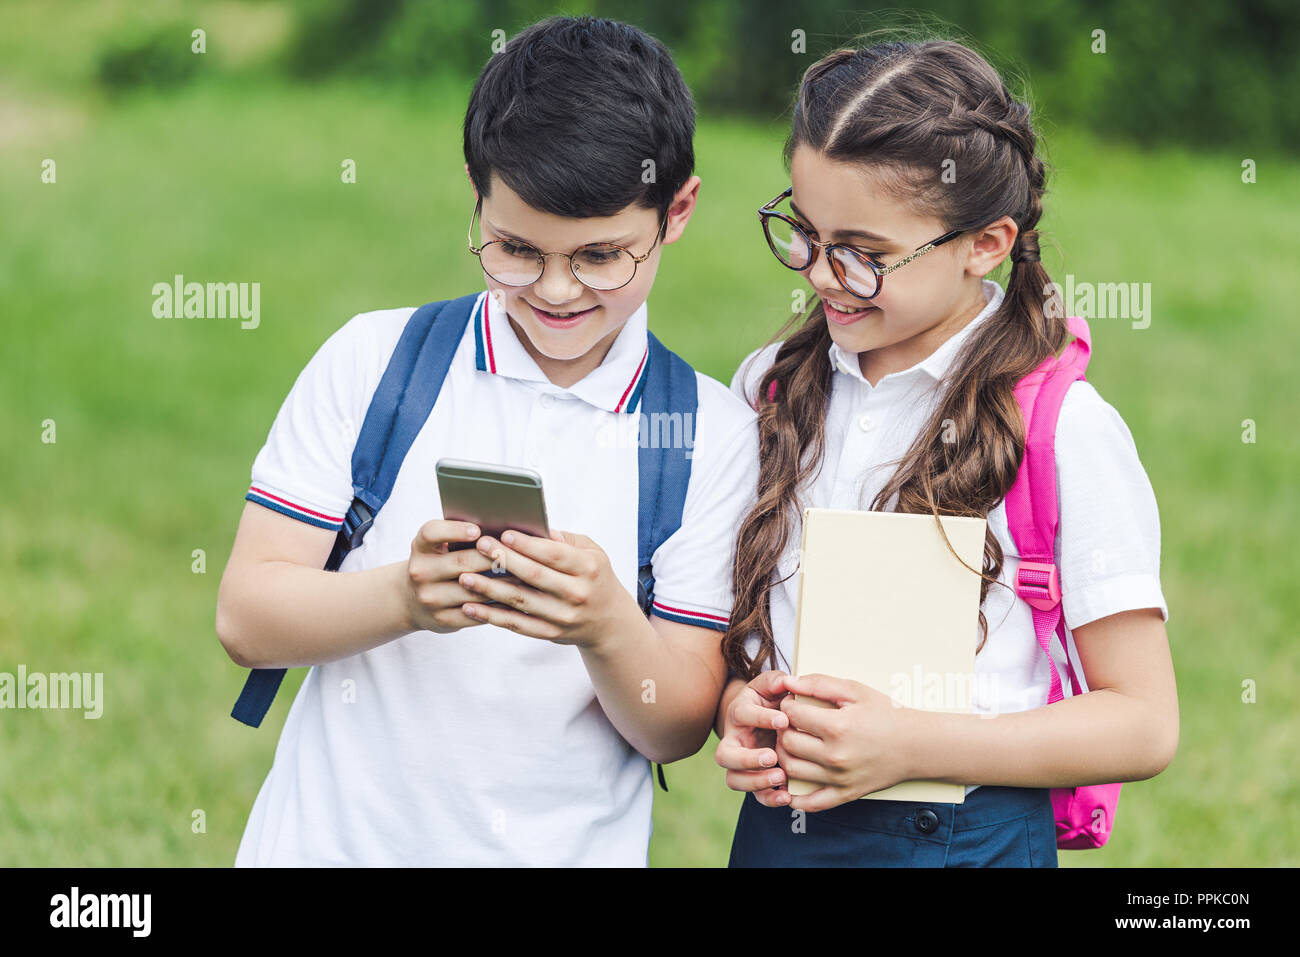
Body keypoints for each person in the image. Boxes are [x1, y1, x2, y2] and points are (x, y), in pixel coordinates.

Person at [217, 15, 757, 866]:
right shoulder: (378, 361)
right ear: (476, 190)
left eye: (601, 256)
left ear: (677, 208)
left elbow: (678, 724)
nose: (553, 290)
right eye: (514, 249)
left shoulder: (710, 436)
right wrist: (404, 598)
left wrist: (608, 623)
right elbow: (248, 615)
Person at [714, 38, 1178, 867]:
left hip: (969, 836)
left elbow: (1143, 721)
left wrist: (910, 745)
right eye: (804, 233)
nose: (822, 274)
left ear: (986, 242)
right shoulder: (771, 386)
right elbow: (737, 623)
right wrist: (737, 708)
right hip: (784, 834)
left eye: (864, 254)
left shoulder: (1063, 428)